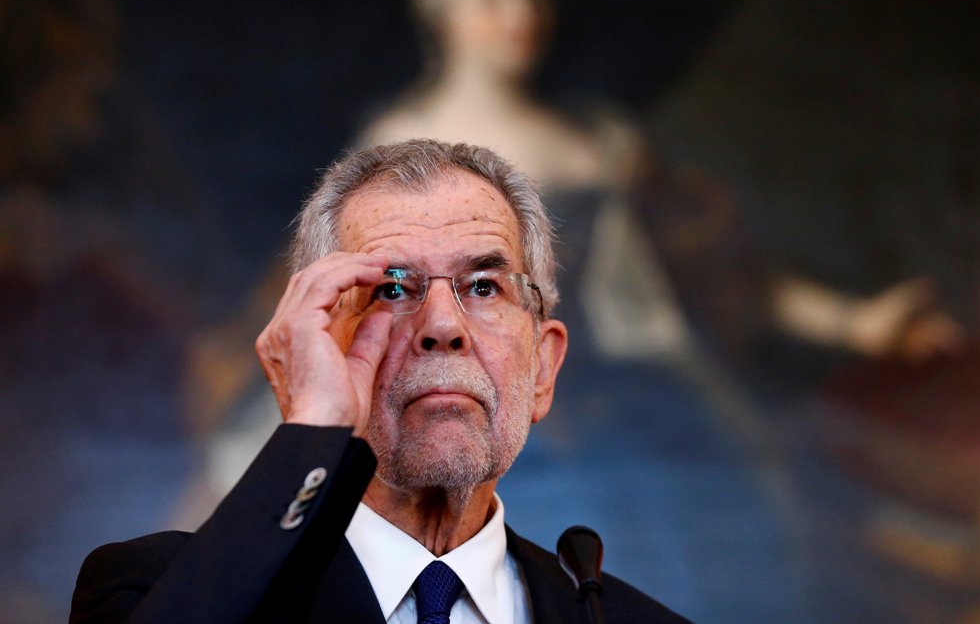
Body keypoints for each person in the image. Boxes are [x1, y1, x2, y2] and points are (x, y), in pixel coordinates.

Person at [70, 139, 693, 623]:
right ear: (319, 343)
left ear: (544, 368)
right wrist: (312, 428)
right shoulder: (148, 590)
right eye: (392, 288)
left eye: (484, 286)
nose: (443, 325)